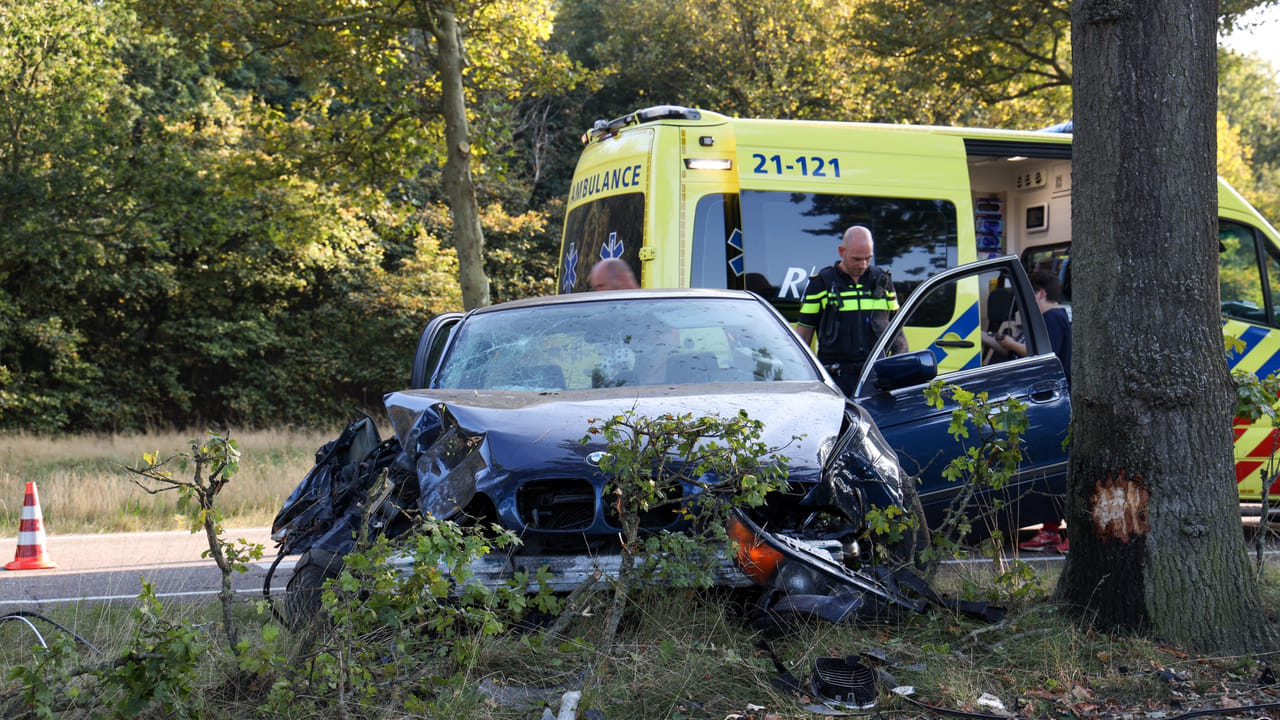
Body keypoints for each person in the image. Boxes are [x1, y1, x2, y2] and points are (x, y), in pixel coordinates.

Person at [1002, 270, 1072, 552]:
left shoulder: (1052, 319)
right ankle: (1052, 530)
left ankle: (1060, 533)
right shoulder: (1056, 318)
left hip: (1057, 401)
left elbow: (1045, 356)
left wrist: (1009, 344)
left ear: (1040, 293)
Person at [794, 225, 907, 395]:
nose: (862, 265)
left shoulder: (883, 282)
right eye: (856, 259)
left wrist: (900, 375)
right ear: (841, 251)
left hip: (876, 379)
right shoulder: (821, 284)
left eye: (868, 258)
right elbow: (803, 337)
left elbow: (898, 336)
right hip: (835, 380)